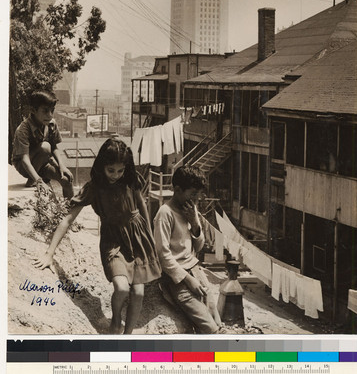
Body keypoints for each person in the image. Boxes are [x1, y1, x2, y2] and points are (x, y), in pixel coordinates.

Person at [33, 138, 162, 334]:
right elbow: (67, 219)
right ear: (102, 166)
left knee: (138, 293)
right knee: (122, 288)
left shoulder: (131, 178)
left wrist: (150, 238)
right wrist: (49, 253)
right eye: (111, 170)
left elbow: (142, 205)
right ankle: (116, 318)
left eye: (120, 171)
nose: (116, 176)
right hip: (113, 240)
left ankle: (127, 337)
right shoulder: (93, 188)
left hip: (138, 237)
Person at [153, 165, 221, 334]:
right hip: (175, 278)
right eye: (192, 195)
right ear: (177, 190)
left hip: (195, 270)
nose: (195, 201)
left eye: (197, 197)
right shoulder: (165, 213)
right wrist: (188, 280)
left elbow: (198, 247)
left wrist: (195, 223)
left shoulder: (191, 210)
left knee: (216, 319)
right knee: (209, 327)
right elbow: (163, 255)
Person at [11, 90, 74, 199]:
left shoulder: (51, 124)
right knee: (45, 146)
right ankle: (33, 179)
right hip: (24, 166)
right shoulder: (23, 129)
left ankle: (68, 210)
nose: (49, 115)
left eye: (52, 111)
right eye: (45, 111)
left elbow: (54, 147)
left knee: (66, 179)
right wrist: (38, 180)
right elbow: (24, 159)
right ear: (33, 110)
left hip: (44, 162)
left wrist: (62, 166)